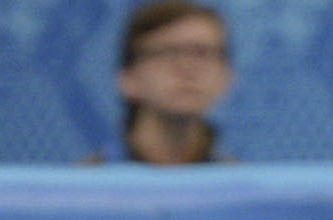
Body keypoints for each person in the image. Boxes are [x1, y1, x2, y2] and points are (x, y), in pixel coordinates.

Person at [94, 1, 236, 166]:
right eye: (167, 52)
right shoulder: (87, 180)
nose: (186, 67)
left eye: (201, 53)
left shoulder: (239, 181)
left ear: (226, 76)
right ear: (127, 78)